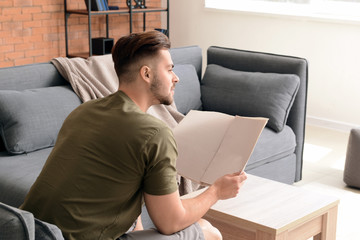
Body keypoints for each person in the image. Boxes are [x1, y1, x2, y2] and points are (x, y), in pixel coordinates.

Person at [20, 30, 247, 240]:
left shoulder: (83, 111)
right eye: (169, 69)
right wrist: (216, 191)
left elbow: (121, 186)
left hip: (31, 232)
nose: (175, 77)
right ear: (146, 74)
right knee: (208, 231)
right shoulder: (155, 133)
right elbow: (170, 222)